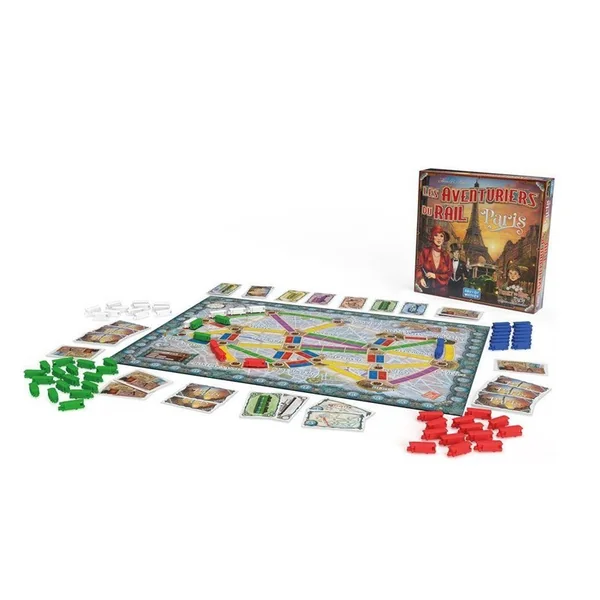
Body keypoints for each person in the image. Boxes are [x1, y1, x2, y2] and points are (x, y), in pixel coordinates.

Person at [415, 225, 451, 296]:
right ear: (432, 237)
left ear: (444, 239)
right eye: (436, 235)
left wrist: (435, 276)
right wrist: (420, 278)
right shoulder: (425, 252)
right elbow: (418, 267)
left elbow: (449, 274)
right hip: (426, 290)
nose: (439, 238)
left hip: (442, 292)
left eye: (441, 236)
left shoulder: (446, 255)